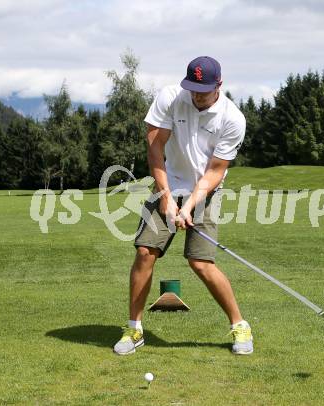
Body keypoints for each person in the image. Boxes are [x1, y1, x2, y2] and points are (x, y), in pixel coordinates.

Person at [113, 56, 253, 356]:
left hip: (206, 190)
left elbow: (215, 171)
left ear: (219, 85)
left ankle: (240, 324)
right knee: (144, 251)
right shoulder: (171, 97)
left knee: (200, 262)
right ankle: (134, 328)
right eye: (193, 88)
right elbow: (155, 149)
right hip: (167, 180)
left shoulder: (232, 119)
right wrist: (165, 196)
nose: (197, 95)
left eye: (203, 89)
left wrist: (188, 206)